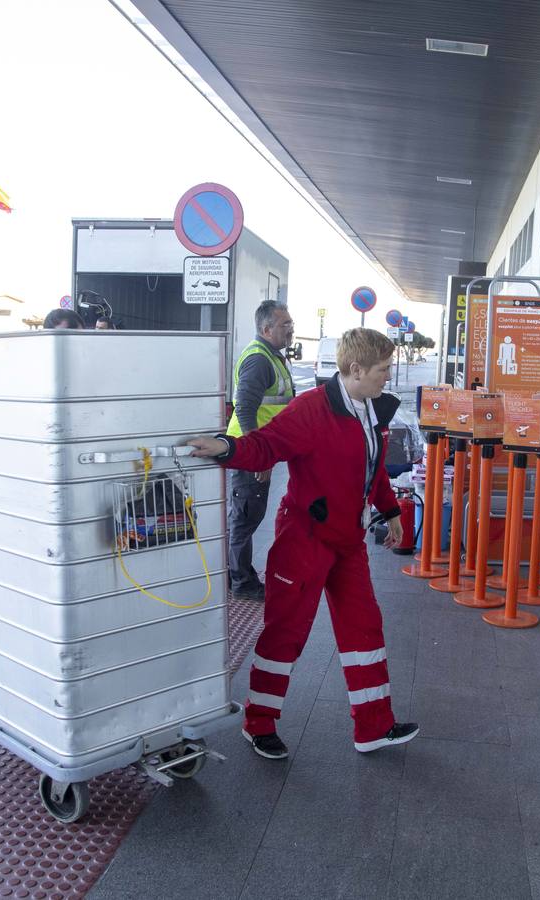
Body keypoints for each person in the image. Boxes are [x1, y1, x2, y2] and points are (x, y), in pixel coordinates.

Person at [189, 328, 418, 759]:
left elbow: (373, 470)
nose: (389, 377)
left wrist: (390, 513)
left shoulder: (370, 409)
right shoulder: (311, 410)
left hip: (347, 542)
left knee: (364, 629)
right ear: (356, 370)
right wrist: (224, 447)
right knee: (286, 633)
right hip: (303, 539)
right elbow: (265, 446)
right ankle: (258, 723)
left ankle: (374, 726)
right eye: (384, 369)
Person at [224, 300, 296, 601]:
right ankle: (242, 583)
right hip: (248, 453)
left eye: (291, 323)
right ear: (266, 329)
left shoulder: (271, 356)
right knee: (244, 518)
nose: (291, 329)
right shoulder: (259, 360)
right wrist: (257, 457)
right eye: (285, 325)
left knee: (249, 515)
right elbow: (244, 408)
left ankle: (238, 576)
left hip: (257, 450)